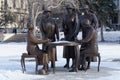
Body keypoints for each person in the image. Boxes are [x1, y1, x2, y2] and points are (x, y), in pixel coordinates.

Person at [62, 3, 78, 69]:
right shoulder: (65, 16)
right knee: (66, 50)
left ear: (71, 9)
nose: (68, 10)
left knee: (72, 49)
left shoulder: (74, 15)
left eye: (69, 9)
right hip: (67, 34)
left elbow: (76, 25)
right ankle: (67, 63)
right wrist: (64, 29)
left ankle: (73, 63)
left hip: (73, 34)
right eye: (67, 9)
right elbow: (63, 24)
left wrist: (74, 34)